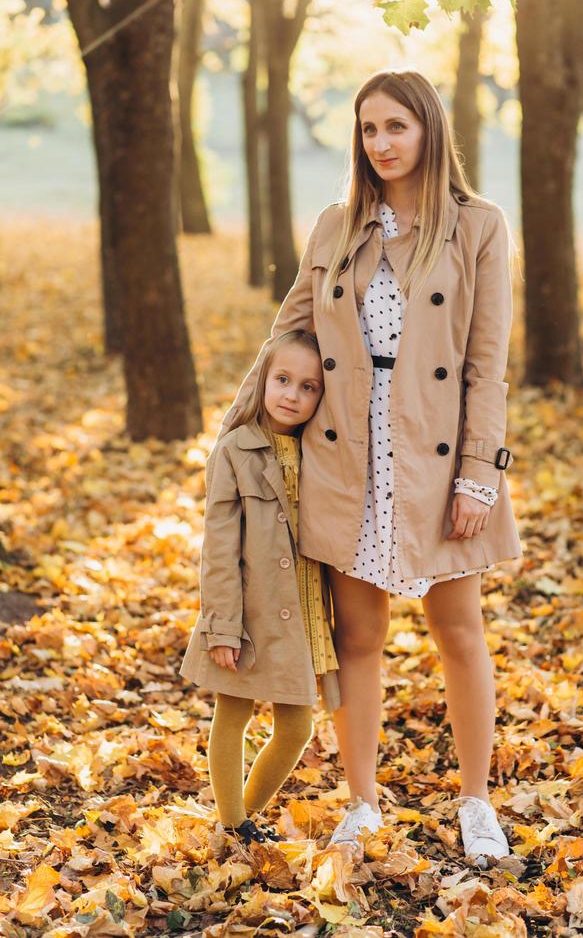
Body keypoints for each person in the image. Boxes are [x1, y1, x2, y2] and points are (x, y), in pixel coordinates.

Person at [215, 69, 523, 866]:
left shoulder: (478, 225)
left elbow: (487, 364)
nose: (380, 144)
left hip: (440, 453)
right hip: (345, 455)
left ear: (429, 129)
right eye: (368, 129)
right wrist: (236, 427)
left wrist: (479, 475)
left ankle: (476, 801)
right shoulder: (337, 224)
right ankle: (362, 802)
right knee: (359, 636)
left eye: (396, 127)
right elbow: (290, 329)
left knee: (460, 633)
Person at [179, 329, 340, 845]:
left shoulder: (320, 451)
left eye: (309, 387)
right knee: (234, 713)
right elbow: (219, 547)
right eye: (283, 380)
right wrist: (223, 624)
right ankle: (234, 825)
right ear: (263, 380)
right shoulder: (235, 450)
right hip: (250, 613)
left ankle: (240, 817)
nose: (292, 395)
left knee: (297, 728)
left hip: (302, 613)